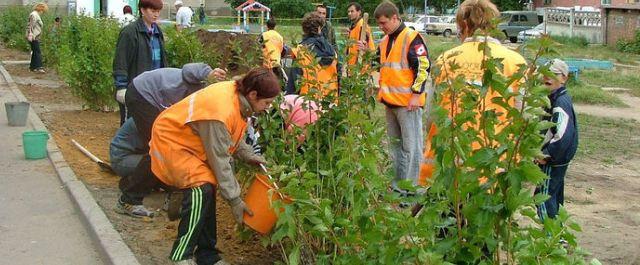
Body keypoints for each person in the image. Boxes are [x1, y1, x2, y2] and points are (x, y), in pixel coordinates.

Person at [148, 67, 278, 264]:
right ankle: (181, 255)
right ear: (253, 94)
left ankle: (207, 255)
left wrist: (247, 154)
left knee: (207, 188)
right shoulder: (220, 111)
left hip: (191, 142)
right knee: (202, 188)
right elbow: (220, 159)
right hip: (172, 142)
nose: (268, 107)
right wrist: (235, 200)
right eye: (266, 102)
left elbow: (230, 133)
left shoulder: (237, 97)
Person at [420, 0, 527, 186]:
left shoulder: (446, 60)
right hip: (495, 170)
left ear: (463, 25)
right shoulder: (515, 63)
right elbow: (524, 118)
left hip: (449, 169)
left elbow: (431, 115)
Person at [116, 63, 226, 217]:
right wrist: (209, 73)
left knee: (171, 148)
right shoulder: (200, 80)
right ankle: (129, 199)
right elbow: (189, 69)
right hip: (143, 94)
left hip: (151, 98)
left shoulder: (212, 100)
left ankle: (156, 190)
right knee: (159, 149)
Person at [369, 1, 431, 194]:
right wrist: (365, 52)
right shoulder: (385, 40)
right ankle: (398, 187)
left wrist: (416, 94)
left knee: (411, 148)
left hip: (408, 104)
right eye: (379, 24)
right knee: (396, 148)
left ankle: (411, 190)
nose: (381, 27)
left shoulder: (412, 38)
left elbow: (423, 67)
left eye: (383, 23)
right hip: (390, 102)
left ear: (395, 17)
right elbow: (377, 63)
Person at [535, 59, 578, 221]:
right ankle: (558, 237)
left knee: (543, 198)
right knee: (555, 196)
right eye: (545, 73)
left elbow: (563, 134)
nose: (548, 77)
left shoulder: (560, 102)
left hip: (553, 160)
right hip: (558, 159)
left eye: (554, 74)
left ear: (564, 78)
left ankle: (550, 238)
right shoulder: (553, 98)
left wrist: (547, 154)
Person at [113, 0, 167, 126]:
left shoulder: (157, 32)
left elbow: (162, 62)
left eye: (158, 11)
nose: (156, 14)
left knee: (150, 126)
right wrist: (121, 87)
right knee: (131, 125)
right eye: (153, 11)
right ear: (142, 10)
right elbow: (121, 60)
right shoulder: (130, 32)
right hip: (135, 89)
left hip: (154, 89)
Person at [285, 12, 338, 99]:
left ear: (304, 30)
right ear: (320, 28)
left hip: (308, 103)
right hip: (330, 101)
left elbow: (294, 83)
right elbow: (338, 77)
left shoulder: (300, 51)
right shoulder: (332, 51)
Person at [346, 2, 375, 67]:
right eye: (348, 11)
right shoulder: (353, 26)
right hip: (352, 68)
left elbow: (370, 49)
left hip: (360, 70)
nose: (349, 13)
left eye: (352, 11)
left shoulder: (363, 26)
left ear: (359, 12)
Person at [26, 3, 48, 73]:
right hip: (33, 36)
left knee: (35, 51)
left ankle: (32, 67)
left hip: (35, 36)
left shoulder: (35, 14)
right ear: (41, 9)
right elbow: (31, 26)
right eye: (43, 11)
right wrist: (31, 35)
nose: (43, 12)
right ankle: (39, 67)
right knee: (37, 51)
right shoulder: (34, 15)